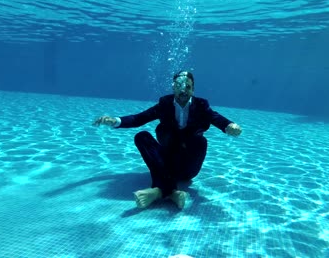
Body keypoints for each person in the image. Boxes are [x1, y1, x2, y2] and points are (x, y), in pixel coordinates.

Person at [93, 71, 242, 209]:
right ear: (173, 87)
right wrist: (114, 121)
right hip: (168, 160)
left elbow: (215, 117)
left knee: (200, 141)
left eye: (187, 87)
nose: (183, 90)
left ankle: (159, 191)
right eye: (179, 86)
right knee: (142, 136)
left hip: (188, 167)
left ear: (193, 89)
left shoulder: (201, 105)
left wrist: (229, 125)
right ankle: (170, 192)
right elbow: (139, 118)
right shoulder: (164, 104)